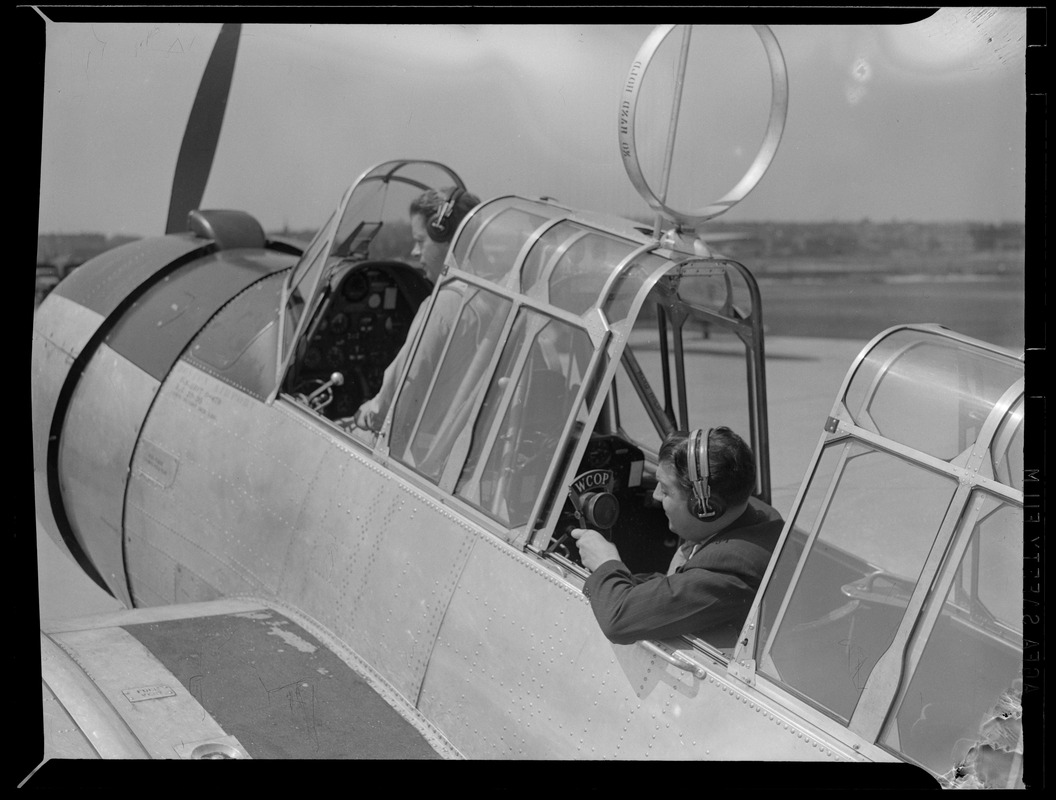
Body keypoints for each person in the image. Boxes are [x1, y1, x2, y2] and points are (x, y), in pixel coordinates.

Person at [572, 427, 783, 649]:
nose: (655, 495)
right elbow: (676, 587)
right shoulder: (754, 514)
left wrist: (606, 563)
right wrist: (629, 583)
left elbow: (618, 621)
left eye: (665, 490)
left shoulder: (730, 568)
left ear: (707, 509)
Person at [341, 186, 480, 433]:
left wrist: (363, 415)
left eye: (419, 241)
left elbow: (396, 397)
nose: (415, 253)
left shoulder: (443, 305)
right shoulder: (489, 297)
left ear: (445, 235)